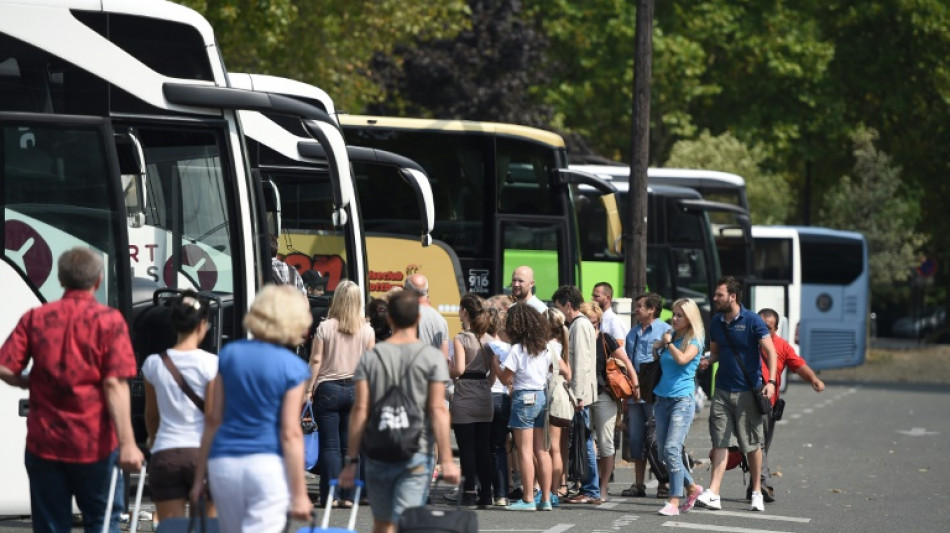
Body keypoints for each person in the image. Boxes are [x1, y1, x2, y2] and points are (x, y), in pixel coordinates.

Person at [0, 247, 144, 533]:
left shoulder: (36, 318)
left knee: (51, 525)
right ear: (98, 281)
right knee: (101, 522)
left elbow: (5, 367)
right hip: (96, 445)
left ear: (61, 279)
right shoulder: (109, 322)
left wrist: (30, 382)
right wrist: (128, 443)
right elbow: (114, 384)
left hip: (45, 444)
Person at [191, 285, 313, 533]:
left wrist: (199, 478)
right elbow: (290, 432)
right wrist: (300, 493)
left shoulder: (230, 355)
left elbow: (213, 418)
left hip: (223, 463)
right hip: (266, 466)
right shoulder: (294, 367)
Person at [339, 291, 460, 533]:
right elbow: (438, 410)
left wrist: (352, 460)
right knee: (407, 521)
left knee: (382, 523)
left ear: (390, 320)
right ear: (417, 318)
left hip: (378, 450)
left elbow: (360, 410)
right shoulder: (431, 357)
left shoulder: (371, 358)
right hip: (416, 450)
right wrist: (446, 459)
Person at [695, 276, 777, 513]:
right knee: (719, 440)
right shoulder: (716, 322)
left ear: (732, 296)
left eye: (719, 294)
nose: (714, 298)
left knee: (751, 445)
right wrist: (708, 361)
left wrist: (770, 381)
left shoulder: (752, 321)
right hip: (721, 390)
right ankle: (714, 493)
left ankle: (756, 491)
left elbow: (770, 352)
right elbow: (716, 353)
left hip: (747, 392)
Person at [142, 291, 218, 523]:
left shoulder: (154, 364)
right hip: (202, 454)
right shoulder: (212, 364)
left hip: (166, 453)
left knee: (170, 528)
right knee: (207, 527)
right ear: (202, 325)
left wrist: (154, 441)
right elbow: (213, 417)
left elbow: (152, 415)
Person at [491, 305, 570, 511]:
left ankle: (527, 498)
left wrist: (495, 365)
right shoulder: (544, 347)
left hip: (523, 397)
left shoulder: (517, 349)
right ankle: (545, 498)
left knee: (525, 452)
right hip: (541, 396)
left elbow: (506, 379)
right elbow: (561, 370)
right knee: (542, 450)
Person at [306, 280, 375, 507]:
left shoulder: (325, 328)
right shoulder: (367, 330)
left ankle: (330, 496)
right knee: (349, 446)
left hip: (328, 389)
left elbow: (316, 360)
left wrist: (309, 388)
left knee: (330, 446)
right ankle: (349, 496)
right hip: (356, 389)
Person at [753, 308, 825, 502]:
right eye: (759, 326)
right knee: (757, 443)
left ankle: (756, 486)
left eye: (767, 327)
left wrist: (814, 380)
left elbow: (798, 365)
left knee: (762, 446)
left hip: (767, 403)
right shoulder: (748, 341)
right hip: (745, 399)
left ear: (775, 328)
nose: (763, 330)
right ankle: (763, 483)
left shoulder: (782, 346)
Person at [578, 302, 639, 500]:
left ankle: (602, 487)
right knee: (586, 442)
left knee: (605, 443)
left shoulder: (605, 339)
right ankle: (589, 487)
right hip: (582, 396)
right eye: (587, 322)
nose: (591, 326)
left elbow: (627, 361)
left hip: (604, 395)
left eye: (594, 323)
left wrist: (635, 385)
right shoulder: (576, 337)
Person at [652, 299, 706, 516]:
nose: (674, 319)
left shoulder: (695, 339)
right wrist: (659, 347)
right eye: (673, 314)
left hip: (681, 401)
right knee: (663, 453)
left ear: (690, 317)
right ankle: (692, 488)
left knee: (672, 450)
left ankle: (673, 501)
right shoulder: (673, 336)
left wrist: (668, 345)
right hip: (661, 399)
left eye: (679, 315)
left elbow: (683, 359)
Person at [551, 285, 600, 504]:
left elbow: (580, 362)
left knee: (584, 441)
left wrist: (578, 396)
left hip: (580, 395)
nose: (558, 312)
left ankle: (590, 489)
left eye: (558, 307)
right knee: (584, 439)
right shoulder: (582, 324)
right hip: (582, 392)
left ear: (568, 305)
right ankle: (589, 488)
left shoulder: (579, 326)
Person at [621, 293, 673, 499]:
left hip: (655, 394)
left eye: (640, 306)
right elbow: (626, 364)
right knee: (636, 440)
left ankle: (664, 481)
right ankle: (639, 484)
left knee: (657, 440)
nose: (636, 310)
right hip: (634, 396)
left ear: (652, 309)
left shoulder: (665, 331)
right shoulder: (632, 333)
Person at [449, 294, 495, 508]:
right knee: (483, 447)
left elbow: (458, 369)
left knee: (466, 447)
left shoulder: (461, 338)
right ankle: (487, 492)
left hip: (465, 393)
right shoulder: (489, 340)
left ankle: (468, 492)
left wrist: (447, 369)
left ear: (464, 312)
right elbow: (493, 374)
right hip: (484, 394)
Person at [540, 307, 570, 505]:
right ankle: (556, 488)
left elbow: (566, 371)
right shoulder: (560, 343)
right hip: (560, 397)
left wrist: (552, 369)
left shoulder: (548, 346)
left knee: (549, 447)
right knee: (556, 448)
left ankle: (552, 490)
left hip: (550, 397)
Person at [483, 308, 512, 506]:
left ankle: (485, 491)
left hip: (487, 397)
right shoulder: (508, 348)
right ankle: (502, 493)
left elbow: (489, 377)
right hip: (504, 397)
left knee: (484, 447)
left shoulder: (486, 346)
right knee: (499, 447)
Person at [405, 274, 449, 358]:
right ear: (427, 291)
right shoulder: (441, 319)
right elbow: (444, 357)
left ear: (407, 292)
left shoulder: (406, 315)